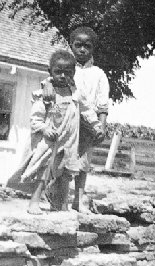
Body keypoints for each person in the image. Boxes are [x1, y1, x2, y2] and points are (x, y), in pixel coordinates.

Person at [17, 50, 103, 214]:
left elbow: (87, 111)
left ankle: (60, 204)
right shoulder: (46, 93)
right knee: (43, 168)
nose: (63, 76)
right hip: (51, 138)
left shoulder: (76, 93)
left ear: (74, 73)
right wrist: (44, 129)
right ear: (50, 72)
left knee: (66, 171)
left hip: (69, 139)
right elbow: (35, 118)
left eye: (67, 72)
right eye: (58, 72)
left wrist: (96, 124)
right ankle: (34, 202)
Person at [69, 26, 110, 212]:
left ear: (93, 48)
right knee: (63, 159)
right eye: (78, 45)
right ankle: (58, 199)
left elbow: (102, 105)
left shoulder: (99, 75)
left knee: (83, 163)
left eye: (87, 46)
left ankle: (78, 201)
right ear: (71, 46)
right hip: (68, 121)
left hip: (89, 124)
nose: (82, 50)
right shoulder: (66, 69)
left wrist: (100, 126)